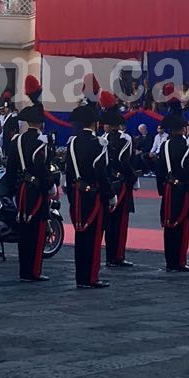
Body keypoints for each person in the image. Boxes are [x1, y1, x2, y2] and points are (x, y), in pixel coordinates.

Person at [9, 75, 55, 282]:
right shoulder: (40, 142)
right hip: (36, 190)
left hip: (21, 189)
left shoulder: (17, 140)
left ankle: (23, 269)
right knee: (36, 231)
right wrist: (50, 185)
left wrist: (12, 190)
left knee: (24, 232)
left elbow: (11, 167)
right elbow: (42, 168)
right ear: (41, 122)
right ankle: (33, 271)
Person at [65, 100, 111, 288]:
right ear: (94, 123)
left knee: (80, 236)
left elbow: (68, 173)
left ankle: (80, 276)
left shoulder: (72, 142)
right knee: (93, 238)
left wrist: (70, 195)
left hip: (77, 195)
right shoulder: (98, 144)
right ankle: (91, 277)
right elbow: (102, 173)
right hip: (93, 195)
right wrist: (109, 194)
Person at [158, 108, 189, 273]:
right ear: (183, 128)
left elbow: (160, 170)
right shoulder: (188, 144)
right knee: (182, 227)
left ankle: (170, 261)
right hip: (183, 189)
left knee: (169, 227)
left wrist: (162, 188)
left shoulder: (164, 145)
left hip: (168, 189)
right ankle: (180, 261)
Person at [99, 91, 135, 268]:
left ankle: (109, 256)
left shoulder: (102, 139)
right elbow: (124, 161)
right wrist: (134, 176)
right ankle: (117, 256)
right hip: (121, 183)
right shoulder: (126, 138)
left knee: (109, 220)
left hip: (107, 180)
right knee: (120, 222)